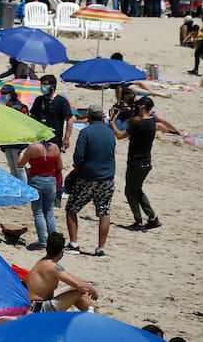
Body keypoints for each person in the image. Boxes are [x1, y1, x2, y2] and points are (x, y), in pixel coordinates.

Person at [65, 103, 116, 257]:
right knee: (104, 212)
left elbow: (78, 157)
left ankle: (74, 244)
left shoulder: (86, 133)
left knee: (71, 208)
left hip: (88, 178)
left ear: (89, 117)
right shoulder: (109, 133)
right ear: (102, 117)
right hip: (107, 179)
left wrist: (78, 167)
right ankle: (100, 248)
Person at [111, 96, 161, 231]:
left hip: (136, 163)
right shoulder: (151, 123)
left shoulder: (138, 123)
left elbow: (120, 135)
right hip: (145, 162)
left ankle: (138, 221)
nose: (136, 107)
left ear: (143, 107)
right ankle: (152, 218)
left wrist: (112, 123)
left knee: (130, 192)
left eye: (139, 105)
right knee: (137, 190)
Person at [26, 232, 99, 312]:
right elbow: (79, 286)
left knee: (72, 288)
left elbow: (72, 280)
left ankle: (92, 314)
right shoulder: (52, 267)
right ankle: (96, 317)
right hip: (39, 309)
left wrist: (85, 285)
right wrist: (93, 290)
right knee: (79, 292)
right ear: (62, 251)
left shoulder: (43, 261)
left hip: (35, 304)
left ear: (47, 248)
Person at [18, 139, 63, 250]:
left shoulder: (32, 148)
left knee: (38, 213)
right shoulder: (55, 147)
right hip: (51, 181)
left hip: (36, 180)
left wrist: (22, 154)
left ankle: (43, 242)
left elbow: (20, 164)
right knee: (49, 213)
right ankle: (53, 242)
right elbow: (60, 167)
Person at [30, 74, 74, 150]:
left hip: (54, 139)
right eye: (42, 84)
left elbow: (69, 120)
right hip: (39, 138)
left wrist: (66, 138)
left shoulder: (61, 101)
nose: (42, 87)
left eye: (45, 84)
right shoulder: (38, 100)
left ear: (52, 86)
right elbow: (32, 117)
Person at [0, 84, 30, 182]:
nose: (2, 96)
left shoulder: (20, 107)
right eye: (2, 93)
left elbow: (25, 123)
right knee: (12, 168)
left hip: (18, 142)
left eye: (4, 94)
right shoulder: (3, 108)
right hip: (8, 141)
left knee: (19, 168)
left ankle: (25, 190)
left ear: (10, 95)